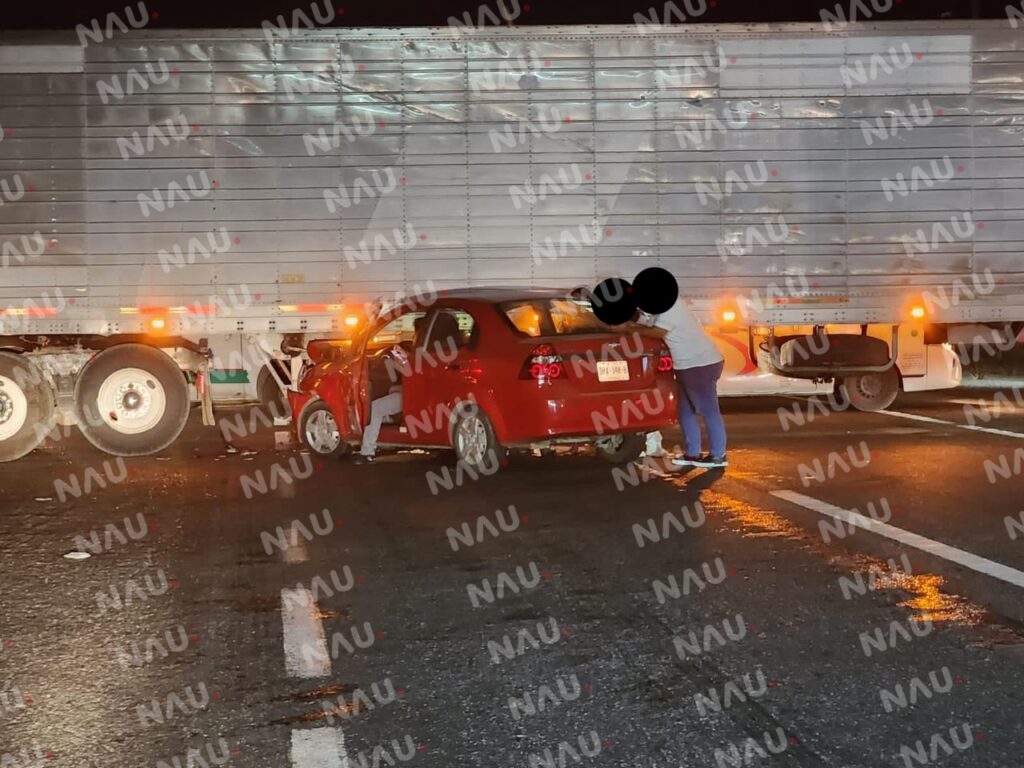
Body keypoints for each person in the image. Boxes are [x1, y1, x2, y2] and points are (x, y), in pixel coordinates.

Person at [648, 296, 728, 468]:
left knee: (708, 411)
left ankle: (718, 455)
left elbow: (656, 331)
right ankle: (692, 454)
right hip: (688, 365)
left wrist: (628, 328)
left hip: (699, 364)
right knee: (685, 411)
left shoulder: (671, 308)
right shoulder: (666, 307)